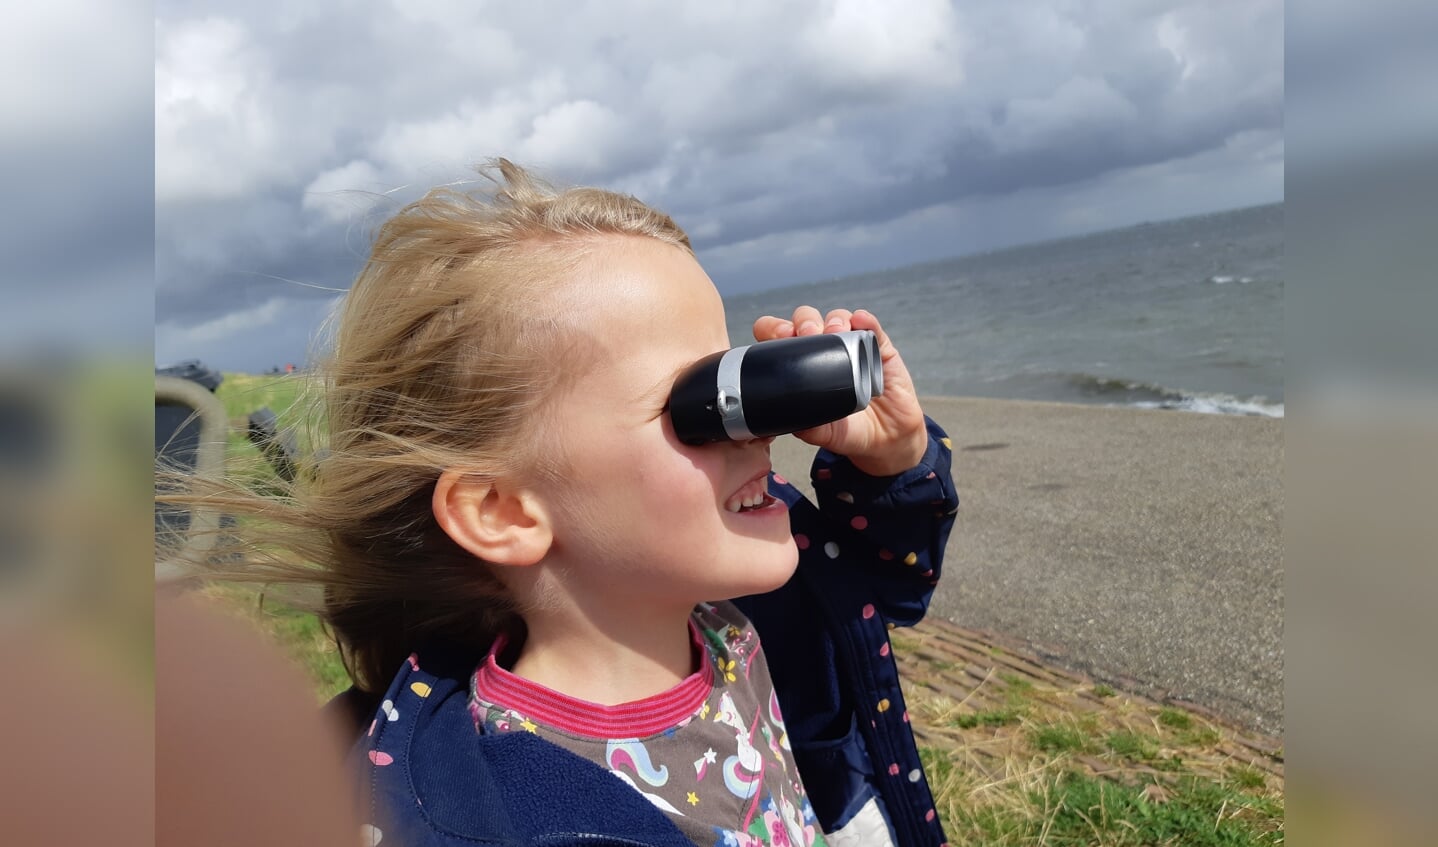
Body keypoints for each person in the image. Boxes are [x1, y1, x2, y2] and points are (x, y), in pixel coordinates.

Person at [183, 160, 957, 847]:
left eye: (734, 379)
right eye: (697, 404)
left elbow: (879, 584)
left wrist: (890, 460)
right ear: (503, 511)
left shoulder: (724, 611)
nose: (756, 430)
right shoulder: (506, 813)